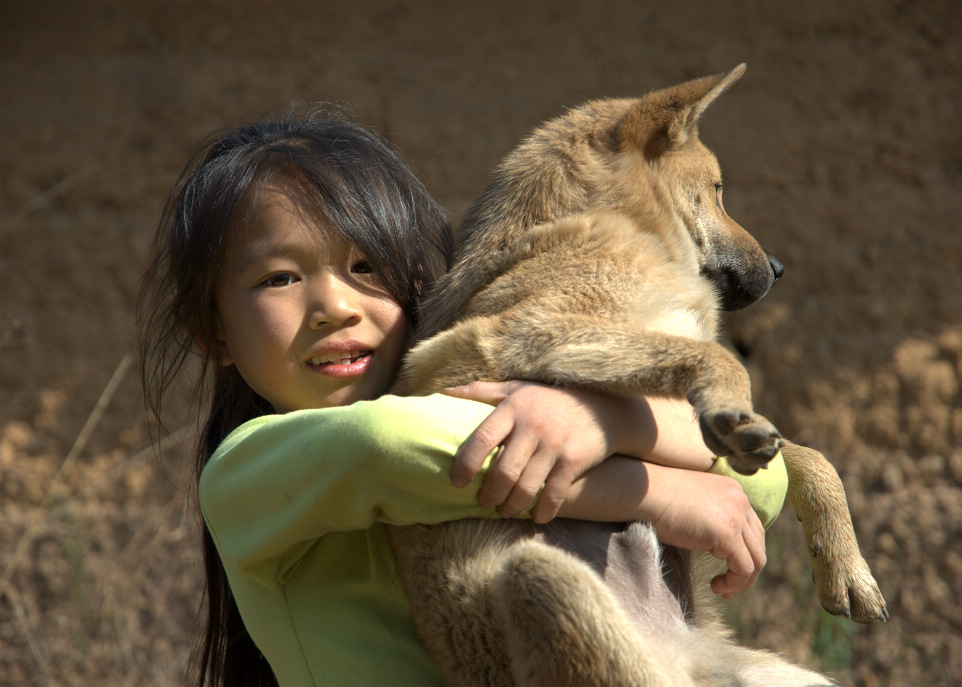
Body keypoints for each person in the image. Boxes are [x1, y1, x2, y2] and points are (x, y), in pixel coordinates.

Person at [138, 107, 788, 687]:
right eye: (280, 277)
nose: (333, 306)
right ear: (212, 331)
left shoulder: (472, 405)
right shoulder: (244, 472)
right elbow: (385, 447)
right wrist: (660, 491)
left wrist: (604, 421)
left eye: (366, 267)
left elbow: (763, 482)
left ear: (421, 282)